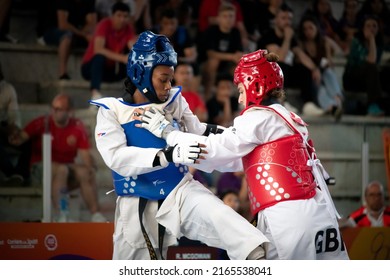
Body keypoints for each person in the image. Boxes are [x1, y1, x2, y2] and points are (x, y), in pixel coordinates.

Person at [136, 49, 350, 260]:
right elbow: (237, 160)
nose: (239, 99)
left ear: (254, 86)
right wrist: (197, 130)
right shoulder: (289, 118)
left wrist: (168, 133)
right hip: (319, 215)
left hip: (289, 218)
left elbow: (215, 151)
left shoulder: (258, 117)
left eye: (240, 90)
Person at [90, 30, 268, 260]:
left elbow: (198, 130)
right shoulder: (110, 111)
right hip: (136, 203)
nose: (169, 86)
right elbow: (117, 158)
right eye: (163, 79)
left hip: (180, 190)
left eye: (170, 79)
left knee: (236, 230)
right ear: (141, 74)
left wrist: (239, 137)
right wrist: (168, 154)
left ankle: (263, 265)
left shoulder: (174, 99)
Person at [9, 93, 107, 222]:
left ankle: (96, 214)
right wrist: (13, 135)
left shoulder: (77, 126)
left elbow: (85, 156)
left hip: (66, 168)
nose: (54, 112)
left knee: (84, 172)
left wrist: (90, 171)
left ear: (70, 111)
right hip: (39, 169)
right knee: (62, 170)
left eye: (59, 109)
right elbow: (19, 139)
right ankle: (61, 214)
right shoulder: (42, 123)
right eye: (53, 108)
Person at [257, 5, 324, 116]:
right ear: (276, 20)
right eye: (283, 18)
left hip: (285, 75)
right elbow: (279, 57)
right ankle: (281, 101)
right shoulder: (269, 35)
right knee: (280, 66)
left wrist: (314, 68)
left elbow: (301, 55)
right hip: (267, 76)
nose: (287, 22)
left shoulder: (291, 38)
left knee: (304, 69)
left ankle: (309, 104)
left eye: (289, 19)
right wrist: (287, 38)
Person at [81, 1, 137, 99]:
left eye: (125, 16)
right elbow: (98, 49)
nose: (122, 19)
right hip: (90, 68)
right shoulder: (104, 24)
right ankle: (95, 93)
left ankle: (134, 95)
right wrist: (123, 58)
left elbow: (133, 47)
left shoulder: (128, 28)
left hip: (109, 70)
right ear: (112, 16)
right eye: (119, 16)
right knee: (99, 57)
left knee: (134, 60)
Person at [297, 15, 344, 121]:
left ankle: (337, 100)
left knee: (328, 73)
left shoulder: (322, 43)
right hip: (310, 78)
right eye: (305, 29)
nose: (308, 31)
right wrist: (315, 69)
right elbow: (301, 59)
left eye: (311, 28)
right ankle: (332, 106)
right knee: (320, 88)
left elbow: (337, 54)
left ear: (316, 28)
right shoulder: (301, 44)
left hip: (323, 74)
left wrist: (327, 43)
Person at [41, 0, 97, 80]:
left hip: (76, 31)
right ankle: (62, 73)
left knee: (96, 38)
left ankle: (95, 73)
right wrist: (82, 34)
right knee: (66, 36)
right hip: (53, 30)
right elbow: (63, 25)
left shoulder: (89, 2)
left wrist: (83, 33)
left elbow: (92, 25)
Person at [198, 2, 243, 100]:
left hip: (227, 66)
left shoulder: (236, 32)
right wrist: (232, 56)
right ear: (218, 18)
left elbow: (239, 53)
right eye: (225, 16)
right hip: (206, 66)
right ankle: (208, 95)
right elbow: (211, 54)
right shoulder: (212, 31)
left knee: (241, 65)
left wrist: (237, 57)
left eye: (231, 16)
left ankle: (239, 97)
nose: (228, 19)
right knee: (214, 61)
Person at [342, 15, 386, 116]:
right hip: (352, 79)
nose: (371, 28)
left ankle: (382, 106)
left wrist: (372, 41)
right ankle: (372, 106)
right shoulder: (356, 42)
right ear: (362, 29)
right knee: (371, 67)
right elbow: (371, 61)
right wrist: (371, 39)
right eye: (368, 26)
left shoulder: (379, 45)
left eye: (374, 26)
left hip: (369, 79)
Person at [0, 64, 30, 186]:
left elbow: (14, 118)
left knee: (27, 139)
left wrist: (14, 131)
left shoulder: (7, 89)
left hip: (3, 129)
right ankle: (11, 174)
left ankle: (22, 175)